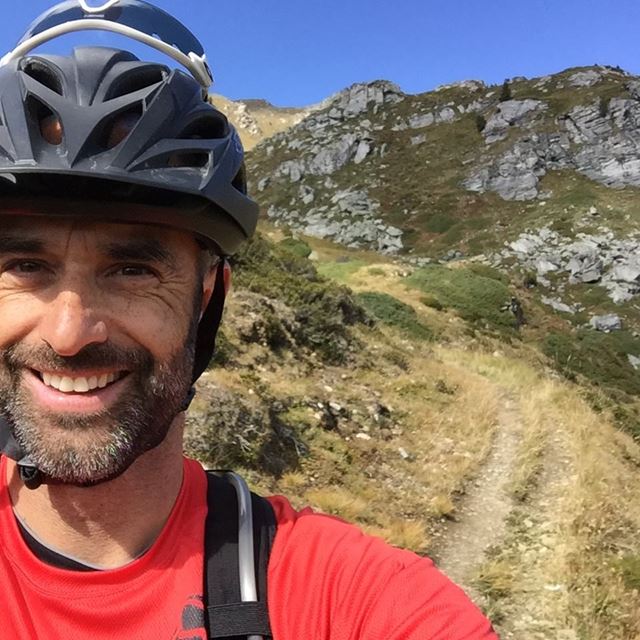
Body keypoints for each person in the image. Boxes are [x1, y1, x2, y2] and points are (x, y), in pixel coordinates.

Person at [0, 1, 499, 638]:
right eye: (25, 266)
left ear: (207, 299)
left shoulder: (349, 593)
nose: (69, 334)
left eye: (132, 270)